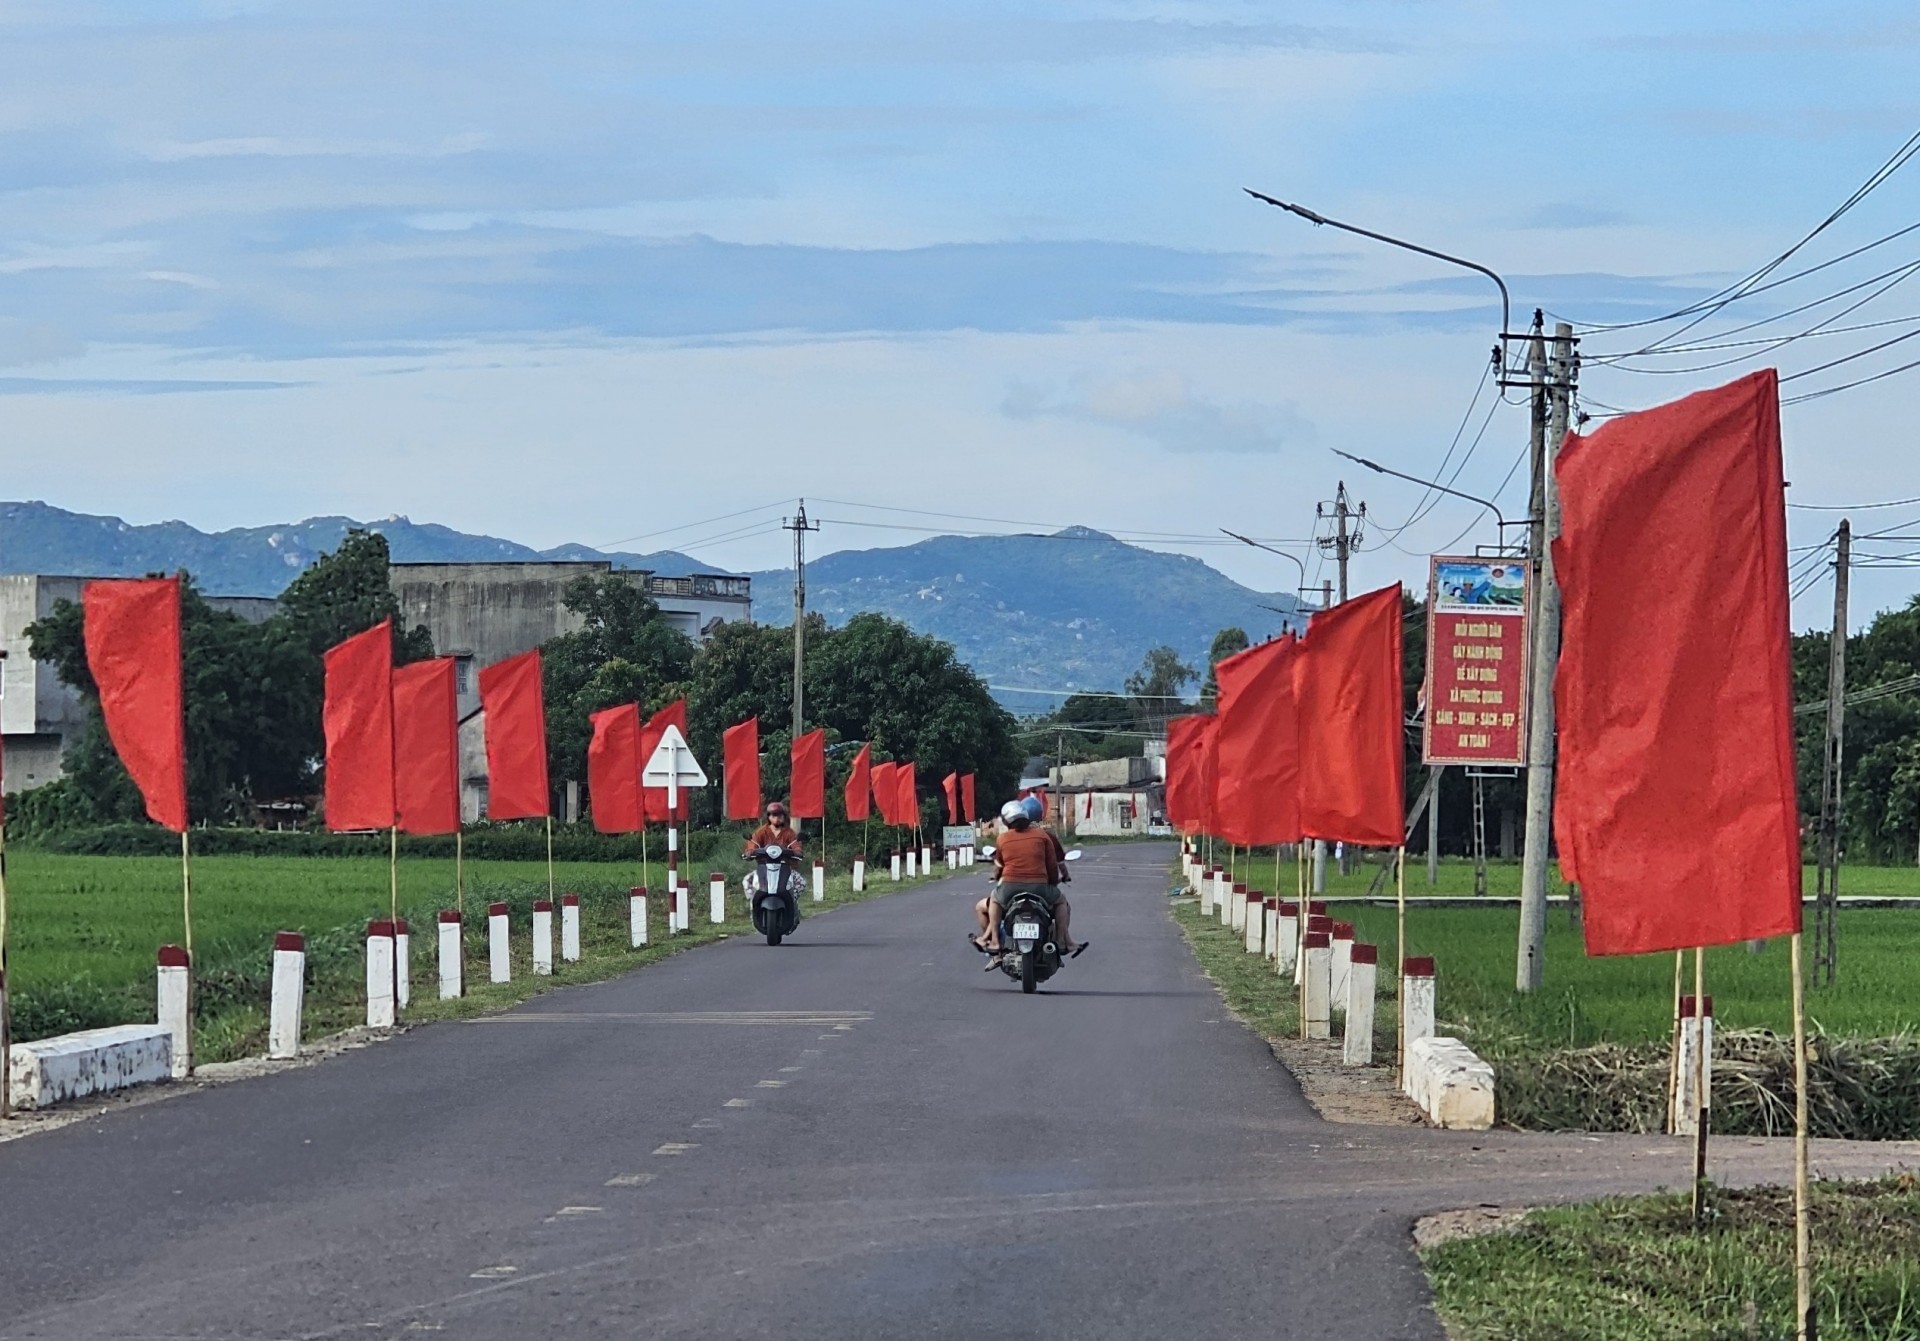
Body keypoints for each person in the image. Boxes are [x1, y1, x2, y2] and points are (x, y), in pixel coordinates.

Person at [976, 799, 1079, 956]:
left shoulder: (1003, 839)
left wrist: (996, 876)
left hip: (1009, 887)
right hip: (1039, 888)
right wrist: (1051, 884)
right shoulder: (1043, 836)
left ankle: (995, 941)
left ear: (1006, 821)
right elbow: (1053, 867)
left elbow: (998, 868)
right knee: (1061, 901)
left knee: (995, 899)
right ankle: (1061, 941)